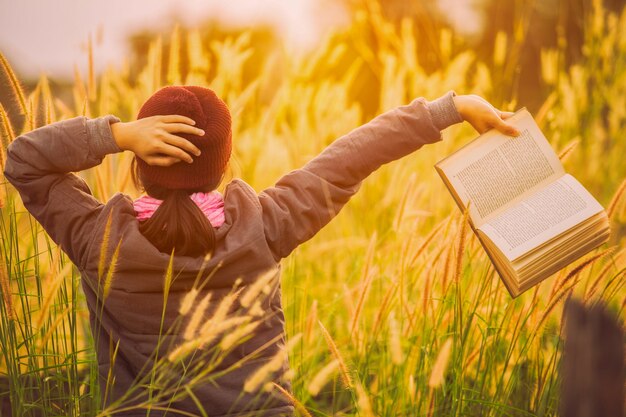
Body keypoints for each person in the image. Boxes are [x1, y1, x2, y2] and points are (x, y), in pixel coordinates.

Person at [3, 86, 519, 416]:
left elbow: (23, 159)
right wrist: (449, 109)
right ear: (224, 162)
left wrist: (115, 134)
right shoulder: (264, 227)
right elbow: (351, 157)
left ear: (141, 163)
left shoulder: (98, 240)